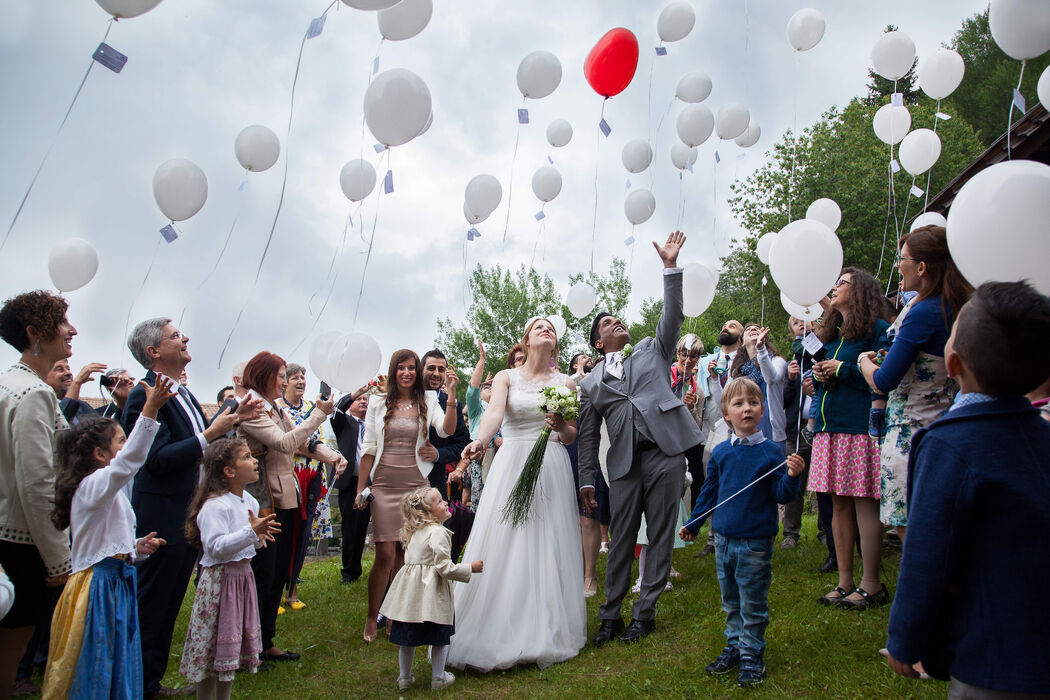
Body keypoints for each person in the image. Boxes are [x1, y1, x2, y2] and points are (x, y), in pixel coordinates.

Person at [885, 281, 1050, 698]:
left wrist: (905, 638)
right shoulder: (1043, 434)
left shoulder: (948, 444)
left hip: (989, 657)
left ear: (952, 363)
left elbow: (927, 555)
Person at [579, 231, 704, 645]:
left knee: (662, 534)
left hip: (666, 453)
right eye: (607, 323)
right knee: (620, 541)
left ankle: (644, 613)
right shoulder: (591, 383)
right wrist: (586, 480)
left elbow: (674, 316)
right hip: (624, 465)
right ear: (599, 342)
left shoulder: (652, 349)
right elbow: (586, 436)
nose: (616, 321)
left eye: (619, 318)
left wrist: (670, 269)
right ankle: (610, 615)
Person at [123, 318, 258, 698]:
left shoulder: (182, 391)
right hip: (162, 514)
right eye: (175, 336)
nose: (185, 339)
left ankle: (151, 679)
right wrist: (211, 433)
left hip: (188, 513)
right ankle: (140, 684)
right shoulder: (144, 395)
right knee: (154, 602)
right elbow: (158, 460)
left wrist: (229, 422)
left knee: (169, 602)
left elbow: (200, 446)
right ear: (153, 352)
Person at [448, 316, 585, 671]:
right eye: (539, 326)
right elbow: (494, 415)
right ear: (525, 340)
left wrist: (560, 425)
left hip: (551, 463)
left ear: (555, 344)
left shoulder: (566, 383)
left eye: (551, 328)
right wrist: (478, 442)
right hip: (512, 463)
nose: (546, 329)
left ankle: (545, 626)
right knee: (508, 538)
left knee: (548, 539)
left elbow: (571, 435)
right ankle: (497, 620)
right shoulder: (507, 377)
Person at [41, 377, 174, 699]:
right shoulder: (94, 484)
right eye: (120, 441)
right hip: (97, 588)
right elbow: (130, 462)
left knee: (116, 654)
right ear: (100, 454)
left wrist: (135, 547)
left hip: (114, 581)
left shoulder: (105, 489)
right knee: (98, 658)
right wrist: (151, 409)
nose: (125, 447)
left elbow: (105, 538)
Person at [680, 378, 804, 688]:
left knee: (752, 602)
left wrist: (791, 475)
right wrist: (694, 523)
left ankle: (752, 654)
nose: (746, 408)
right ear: (726, 415)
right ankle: (734, 645)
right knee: (731, 600)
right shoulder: (721, 453)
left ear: (762, 410)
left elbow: (782, 496)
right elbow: (708, 493)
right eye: (738, 404)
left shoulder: (772, 454)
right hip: (723, 539)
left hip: (755, 541)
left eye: (753, 402)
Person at [858, 226, 972, 539]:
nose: (897, 265)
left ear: (921, 267)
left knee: (913, 531)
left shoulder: (923, 311)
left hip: (911, 433)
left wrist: (863, 362)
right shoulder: (956, 309)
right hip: (944, 428)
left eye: (902, 259)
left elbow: (883, 381)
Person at [236, 351, 344, 664]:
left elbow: (302, 443)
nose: (285, 381)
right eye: (281, 375)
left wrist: (331, 455)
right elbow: (284, 443)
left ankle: (266, 640)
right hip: (264, 499)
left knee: (277, 570)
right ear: (263, 376)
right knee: (263, 572)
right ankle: (249, 644)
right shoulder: (254, 408)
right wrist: (318, 415)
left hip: (285, 496)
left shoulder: (273, 407)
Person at [0, 291, 76, 698]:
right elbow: (36, 485)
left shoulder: (10, 383)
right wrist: (58, 559)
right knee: (9, 655)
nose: (72, 331)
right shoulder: (33, 394)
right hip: (20, 542)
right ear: (35, 333)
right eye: (63, 323)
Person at [356, 349, 459, 643]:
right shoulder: (378, 400)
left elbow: (447, 429)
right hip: (385, 484)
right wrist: (362, 487)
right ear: (394, 371)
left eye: (411, 368)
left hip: (415, 483)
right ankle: (371, 615)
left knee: (405, 554)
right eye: (401, 368)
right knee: (385, 554)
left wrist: (450, 395)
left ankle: (394, 616)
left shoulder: (428, 399)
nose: (407, 373)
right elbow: (369, 447)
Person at [808, 269, 891, 609]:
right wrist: (819, 372)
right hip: (830, 427)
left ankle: (871, 584)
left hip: (859, 429)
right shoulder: (833, 333)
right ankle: (845, 582)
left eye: (842, 282)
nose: (835, 287)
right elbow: (829, 367)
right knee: (838, 504)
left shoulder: (879, 330)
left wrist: (841, 369)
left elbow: (885, 374)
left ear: (861, 292)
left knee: (863, 502)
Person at [180, 439, 281, 700]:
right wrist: (251, 532)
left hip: (242, 580)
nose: (255, 460)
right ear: (229, 471)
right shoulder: (215, 505)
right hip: (220, 584)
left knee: (229, 654)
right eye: (247, 457)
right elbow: (215, 547)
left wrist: (258, 538)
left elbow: (245, 544)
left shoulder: (249, 501)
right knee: (212, 652)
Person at [379, 486, 482, 692]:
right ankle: (438, 677)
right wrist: (469, 568)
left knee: (408, 638)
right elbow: (444, 567)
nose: (446, 503)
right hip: (432, 594)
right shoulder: (439, 533)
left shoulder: (413, 532)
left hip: (411, 596)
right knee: (439, 636)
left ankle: (404, 677)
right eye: (439, 502)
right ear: (427, 513)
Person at [275, 363, 333, 611]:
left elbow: (317, 440)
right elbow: (291, 443)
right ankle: (273, 591)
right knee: (282, 534)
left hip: (312, 476)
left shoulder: (312, 408)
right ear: (284, 382)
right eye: (294, 378)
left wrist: (331, 455)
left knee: (303, 533)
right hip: (288, 474)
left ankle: (293, 590)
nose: (300, 381)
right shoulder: (277, 409)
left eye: (303, 378)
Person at [331, 389, 370, 583]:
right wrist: (356, 393)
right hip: (349, 481)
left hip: (370, 483)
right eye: (359, 400)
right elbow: (337, 408)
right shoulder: (343, 422)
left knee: (363, 525)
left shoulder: (372, 424)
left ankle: (359, 566)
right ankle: (349, 571)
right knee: (350, 527)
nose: (363, 401)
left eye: (365, 399)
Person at [420, 350, 470, 492]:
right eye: (431, 368)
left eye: (441, 370)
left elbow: (462, 444)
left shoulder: (453, 404)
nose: (436, 374)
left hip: (434, 484)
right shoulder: (405, 398)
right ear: (421, 369)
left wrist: (438, 454)